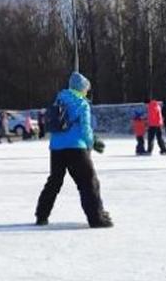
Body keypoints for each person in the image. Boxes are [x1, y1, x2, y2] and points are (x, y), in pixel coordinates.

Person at [34, 72, 113, 228]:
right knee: (88, 182)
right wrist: (92, 143)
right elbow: (85, 129)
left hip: (56, 148)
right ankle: (96, 218)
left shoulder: (59, 100)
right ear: (81, 89)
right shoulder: (81, 104)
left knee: (54, 182)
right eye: (86, 89)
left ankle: (41, 215)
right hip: (76, 148)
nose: (86, 92)